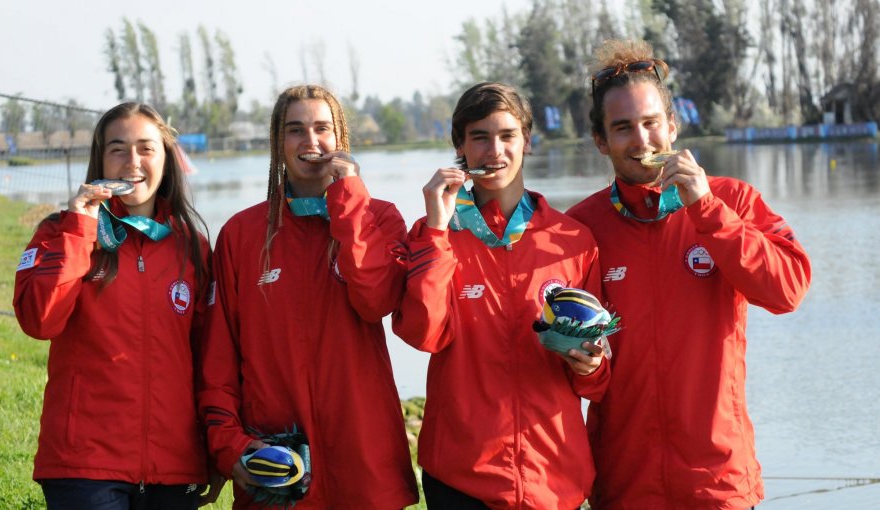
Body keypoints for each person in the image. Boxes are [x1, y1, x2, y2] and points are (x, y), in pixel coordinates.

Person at [566, 39, 812, 509]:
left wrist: (707, 210)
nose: (641, 140)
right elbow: (579, 365)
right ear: (601, 141)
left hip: (717, 481)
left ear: (672, 126)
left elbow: (788, 291)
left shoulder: (731, 200)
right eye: (623, 128)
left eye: (651, 122)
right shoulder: (582, 227)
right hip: (624, 484)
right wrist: (582, 360)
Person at [197, 84, 418, 509]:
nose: (311, 142)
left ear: (342, 140)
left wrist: (349, 201)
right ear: (278, 144)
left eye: (322, 128)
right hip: (277, 463)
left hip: (363, 460)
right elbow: (219, 361)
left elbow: (374, 300)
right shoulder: (242, 235)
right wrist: (229, 447)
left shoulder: (381, 218)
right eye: (295, 130)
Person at [393, 82, 610, 509]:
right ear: (460, 146)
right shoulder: (434, 234)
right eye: (480, 137)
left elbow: (599, 378)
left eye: (508, 135)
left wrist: (591, 364)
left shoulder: (572, 240)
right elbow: (424, 335)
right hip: (462, 478)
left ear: (527, 141)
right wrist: (438, 229)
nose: (495, 150)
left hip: (553, 476)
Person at [13, 102, 220, 509]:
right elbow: (39, 321)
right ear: (100, 158)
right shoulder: (60, 231)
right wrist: (80, 229)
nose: (133, 162)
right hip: (84, 468)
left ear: (166, 159)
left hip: (174, 468)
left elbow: (208, 357)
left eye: (146, 148)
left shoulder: (192, 247)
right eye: (118, 149)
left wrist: (214, 448)